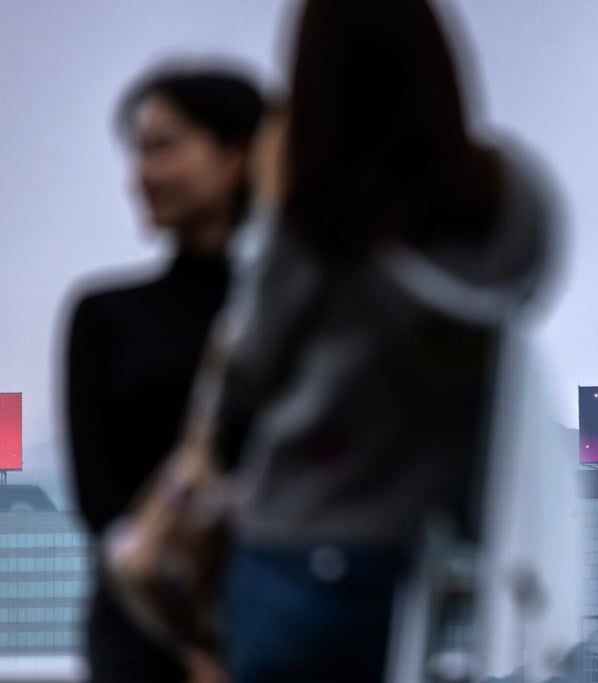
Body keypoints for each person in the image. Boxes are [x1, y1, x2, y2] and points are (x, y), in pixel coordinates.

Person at [208, 1, 556, 681]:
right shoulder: (506, 196)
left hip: (306, 544)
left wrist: (275, 209)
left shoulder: (318, 212)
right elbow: (529, 286)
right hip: (450, 553)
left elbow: (249, 367)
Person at [64, 65, 264, 683]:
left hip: (267, 618)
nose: (142, 175)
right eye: (138, 152)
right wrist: (192, 644)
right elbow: (100, 504)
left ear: (235, 157)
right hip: (143, 624)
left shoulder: (284, 311)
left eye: (164, 147)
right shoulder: (103, 313)